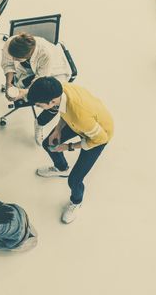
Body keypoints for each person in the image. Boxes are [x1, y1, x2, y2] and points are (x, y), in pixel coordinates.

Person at [28, 77, 114, 224]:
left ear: (52, 101)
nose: (39, 107)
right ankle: (61, 168)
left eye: (40, 105)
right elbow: (64, 111)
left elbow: (101, 139)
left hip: (97, 136)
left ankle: (76, 202)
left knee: (74, 180)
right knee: (48, 145)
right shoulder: (61, 89)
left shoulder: (80, 116)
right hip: (80, 122)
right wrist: (58, 129)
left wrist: (69, 147)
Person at [1, 33, 72, 144]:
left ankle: (40, 124)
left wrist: (22, 93)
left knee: (53, 104)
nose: (13, 59)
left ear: (29, 55)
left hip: (54, 73)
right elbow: (8, 64)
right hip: (31, 70)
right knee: (21, 84)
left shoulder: (45, 55)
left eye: (16, 58)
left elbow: (39, 82)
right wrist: (8, 83)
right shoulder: (10, 43)